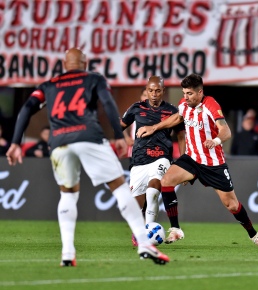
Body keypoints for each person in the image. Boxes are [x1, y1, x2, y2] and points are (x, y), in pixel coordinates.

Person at [6, 48, 169, 266]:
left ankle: (67, 254)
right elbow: (109, 103)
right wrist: (118, 135)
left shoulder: (49, 84)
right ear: (84, 63)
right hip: (88, 136)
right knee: (120, 188)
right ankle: (144, 243)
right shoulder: (94, 79)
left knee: (68, 194)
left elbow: (26, 108)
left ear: (64, 63)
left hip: (59, 142)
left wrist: (16, 142)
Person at [137, 73, 258, 249]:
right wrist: (153, 127)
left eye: (190, 94)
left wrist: (215, 141)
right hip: (191, 158)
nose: (185, 97)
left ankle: (255, 236)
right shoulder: (184, 105)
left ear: (200, 92)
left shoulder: (211, 104)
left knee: (231, 205)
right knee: (166, 181)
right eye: (184, 93)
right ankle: (176, 229)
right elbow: (178, 118)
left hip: (213, 163)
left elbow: (226, 131)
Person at [120, 76, 185, 230]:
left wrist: (183, 161)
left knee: (152, 192)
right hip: (139, 160)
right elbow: (120, 126)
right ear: (146, 91)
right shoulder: (136, 108)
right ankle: (139, 231)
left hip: (161, 157)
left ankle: (148, 231)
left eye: (157, 90)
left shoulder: (172, 111)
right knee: (136, 207)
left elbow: (181, 136)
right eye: (150, 90)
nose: (154, 94)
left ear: (163, 91)